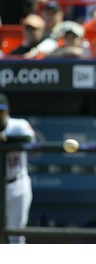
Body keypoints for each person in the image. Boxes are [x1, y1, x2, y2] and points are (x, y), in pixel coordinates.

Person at [0, 93, 36, 243]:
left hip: (17, 185)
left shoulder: (19, 125)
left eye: (1, 111)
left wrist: (5, 140)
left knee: (16, 235)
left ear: (7, 111)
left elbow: (30, 141)